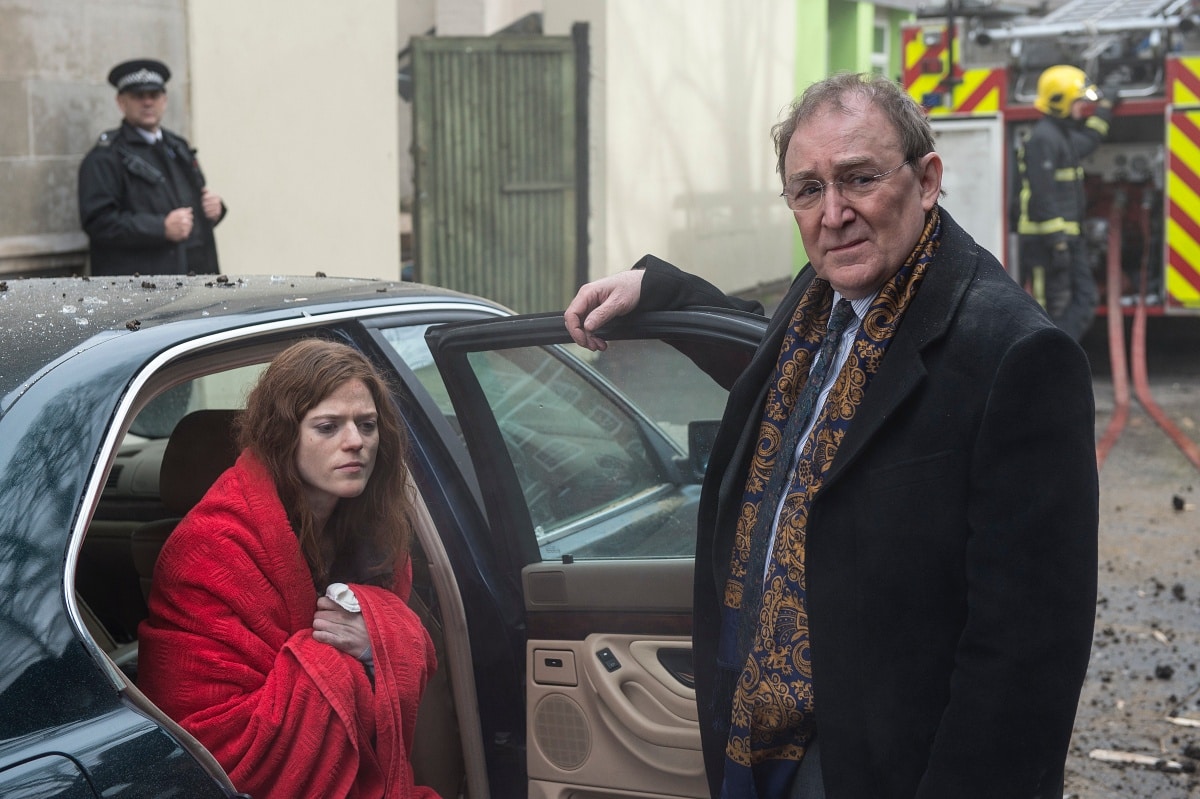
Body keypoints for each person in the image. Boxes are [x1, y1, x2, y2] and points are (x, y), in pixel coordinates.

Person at [565, 72, 1098, 799]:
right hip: (766, 730)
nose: (834, 212)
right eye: (807, 190)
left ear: (927, 178)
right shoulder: (821, 302)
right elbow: (782, 380)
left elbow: (1027, 657)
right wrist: (662, 292)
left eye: (859, 178)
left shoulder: (1015, 356)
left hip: (883, 764)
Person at [138, 340, 440, 799]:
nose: (356, 441)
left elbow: (401, 645)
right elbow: (212, 744)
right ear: (284, 436)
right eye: (327, 426)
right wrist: (359, 650)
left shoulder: (377, 532)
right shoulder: (211, 547)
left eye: (367, 424)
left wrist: (374, 639)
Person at [78, 58, 226, 276]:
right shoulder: (106, 157)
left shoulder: (178, 147)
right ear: (121, 102)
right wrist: (160, 228)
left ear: (164, 100)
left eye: (154, 95)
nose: (147, 102)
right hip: (145, 290)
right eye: (138, 96)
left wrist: (216, 209)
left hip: (197, 279)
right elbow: (99, 223)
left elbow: (195, 203)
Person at [1014, 64, 1117, 342]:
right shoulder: (1043, 139)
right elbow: (1042, 194)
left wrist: (1106, 108)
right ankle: (1045, 361)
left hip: (1067, 240)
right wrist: (1056, 241)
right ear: (1060, 102)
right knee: (1044, 311)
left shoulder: (1061, 136)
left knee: (1084, 298)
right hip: (1045, 244)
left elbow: (1089, 141)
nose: (1082, 107)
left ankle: (1058, 354)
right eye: (1078, 101)